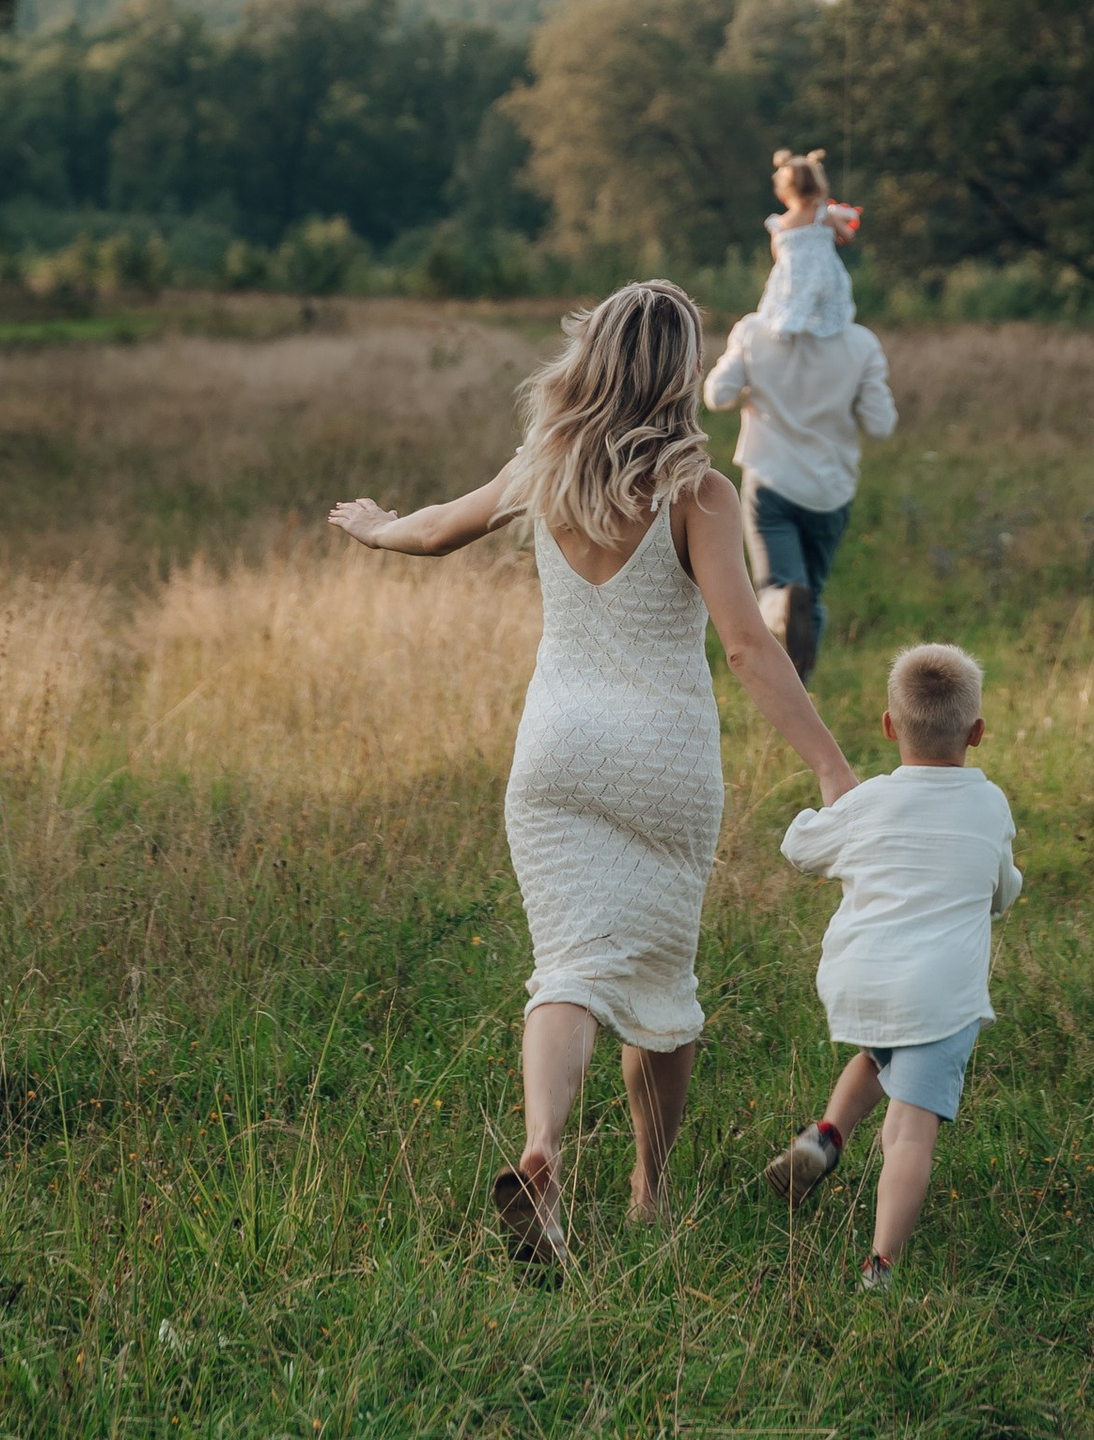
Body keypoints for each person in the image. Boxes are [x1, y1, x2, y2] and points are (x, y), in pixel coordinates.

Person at [328, 278, 854, 1267]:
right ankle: (651, 1190)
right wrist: (828, 764)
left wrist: (377, 524)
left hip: (556, 752)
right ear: (682, 370)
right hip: (661, 759)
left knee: (567, 963)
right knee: (661, 976)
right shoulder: (697, 489)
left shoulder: (546, 463)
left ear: (595, 357)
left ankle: (541, 1150)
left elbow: (438, 525)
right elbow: (747, 645)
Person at [764, 641, 1021, 1291]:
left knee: (880, 1053)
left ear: (887, 726)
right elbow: (1002, 889)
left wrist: (833, 802)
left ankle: (824, 1136)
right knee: (909, 1133)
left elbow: (800, 849)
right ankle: (880, 1268)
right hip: (940, 994)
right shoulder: (989, 805)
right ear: (978, 732)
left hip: (862, 978)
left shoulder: (868, 801)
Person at [704, 194, 897, 681]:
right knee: (812, 588)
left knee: (776, 586)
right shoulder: (861, 345)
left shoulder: (753, 332)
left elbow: (716, 394)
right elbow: (881, 424)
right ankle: (802, 683)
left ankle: (783, 621)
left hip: (770, 482)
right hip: (831, 490)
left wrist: (751, 386)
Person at [758, 147, 861, 335]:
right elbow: (847, 236)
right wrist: (846, 220)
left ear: (783, 191)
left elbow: (777, 257)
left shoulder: (778, 224)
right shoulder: (824, 215)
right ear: (819, 186)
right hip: (826, 282)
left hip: (790, 286)